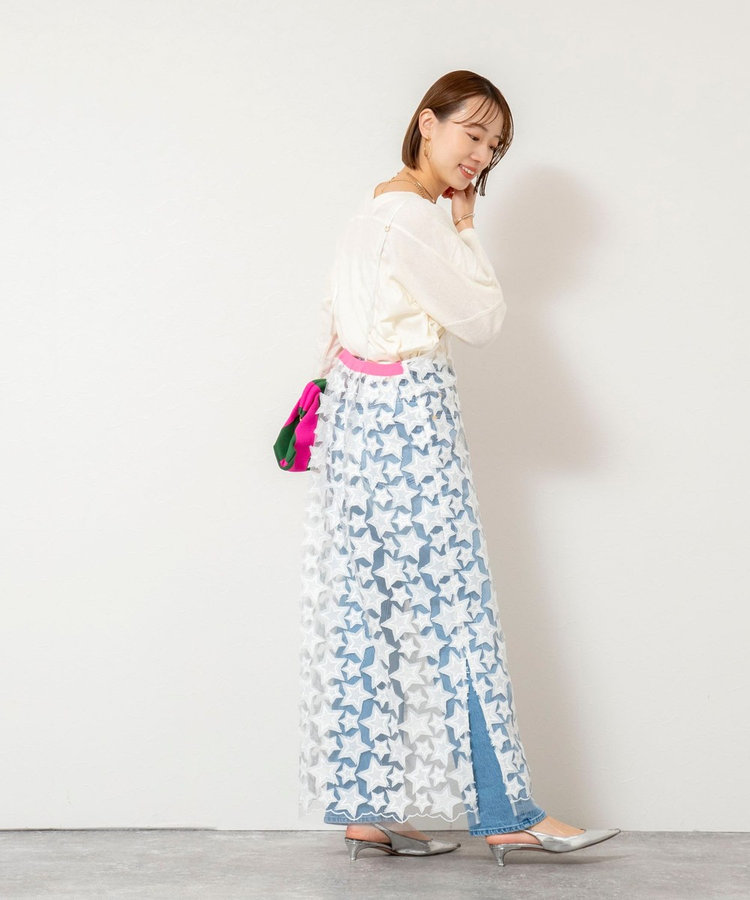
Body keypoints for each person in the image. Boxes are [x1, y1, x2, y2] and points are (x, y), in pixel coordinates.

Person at [296, 70, 620, 867]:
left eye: (494, 146)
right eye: (472, 133)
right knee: (460, 614)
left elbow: (334, 323)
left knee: (365, 614)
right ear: (427, 123)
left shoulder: (369, 210)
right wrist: (467, 229)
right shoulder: (417, 219)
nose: (481, 155)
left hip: (354, 423)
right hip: (409, 417)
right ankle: (508, 812)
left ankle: (366, 808)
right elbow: (482, 318)